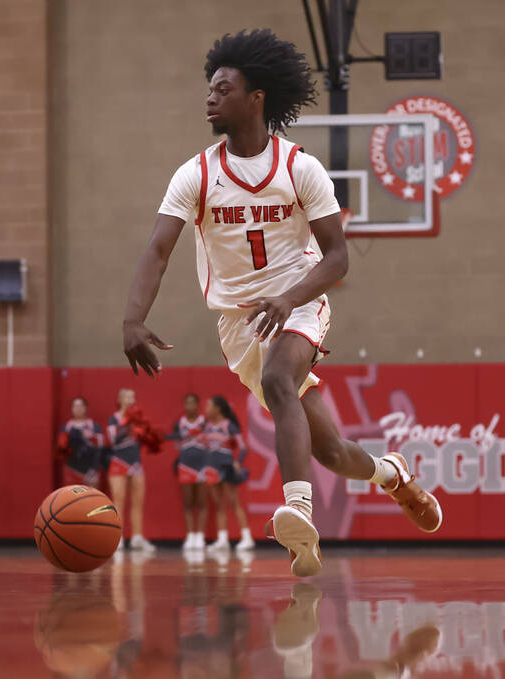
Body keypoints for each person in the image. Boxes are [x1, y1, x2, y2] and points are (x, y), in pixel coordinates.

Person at [121, 29, 442, 577]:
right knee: (332, 452)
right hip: (240, 323)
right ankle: (392, 474)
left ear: (256, 97)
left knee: (277, 380)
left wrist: (289, 297)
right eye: (210, 88)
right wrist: (132, 318)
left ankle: (297, 513)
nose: (210, 97)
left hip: (299, 300)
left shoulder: (300, 168)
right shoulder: (194, 175)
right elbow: (157, 250)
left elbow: (337, 258)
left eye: (223, 88)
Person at [202, 395, 255, 552]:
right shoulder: (207, 426)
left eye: (208, 405)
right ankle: (222, 539)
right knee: (218, 504)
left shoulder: (229, 426)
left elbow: (243, 447)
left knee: (234, 502)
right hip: (212, 468)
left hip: (226, 467)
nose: (206, 409)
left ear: (217, 408)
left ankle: (247, 537)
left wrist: (237, 461)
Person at [106, 388, 155, 553]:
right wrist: (128, 423)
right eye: (127, 397)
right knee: (118, 501)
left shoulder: (138, 418)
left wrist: (149, 436)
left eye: (132, 397)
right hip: (119, 462)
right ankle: (116, 538)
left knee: (138, 502)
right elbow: (113, 439)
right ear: (120, 399)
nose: (130, 400)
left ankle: (137, 538)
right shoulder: (114, 419)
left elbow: (145, 438)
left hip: (135, 464)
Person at [171, 393, 210, 552]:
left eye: (193, 403)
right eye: (187, 403)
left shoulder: (205, 422)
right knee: (188, 503)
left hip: (202, 465)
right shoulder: (180, 424)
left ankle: (200, 536)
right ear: (184, 406)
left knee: (201, 502)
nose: (190, 406)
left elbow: (211, 442)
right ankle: (190, 536)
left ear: (198, 405)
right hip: (186, 465)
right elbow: (176, 445)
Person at [56, 397, 104, 487]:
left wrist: (91, 438)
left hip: (91, 471)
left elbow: (100, 446)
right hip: (72, 469)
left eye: (80, 406)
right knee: (72, 498)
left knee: (92, 499)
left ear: (86, 408)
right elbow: (61, 450)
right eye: (75, 406)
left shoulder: (93, 426)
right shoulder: (67, 427)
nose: (78, 409)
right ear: (72, 409)